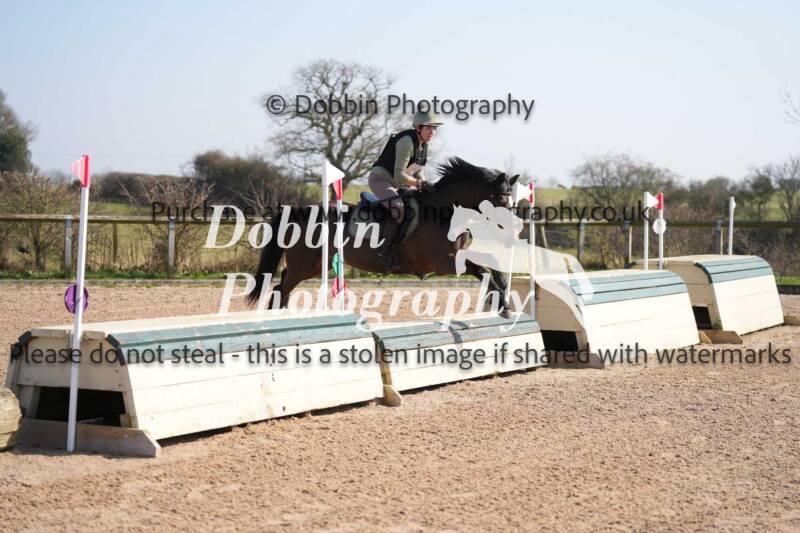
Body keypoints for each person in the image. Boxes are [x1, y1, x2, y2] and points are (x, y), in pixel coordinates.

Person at [368, 110, 442, 269]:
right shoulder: (406, 142)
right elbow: (400, 175)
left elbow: (417, 171)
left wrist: (428, 188)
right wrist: (420, 184)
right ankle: (385, 254)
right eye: (429, 128)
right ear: (419, 128)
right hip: (380, 180)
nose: (433, 132)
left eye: (435, 128)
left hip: (396, 183)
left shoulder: (424, 146)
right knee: (398, 208)